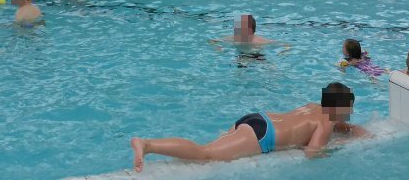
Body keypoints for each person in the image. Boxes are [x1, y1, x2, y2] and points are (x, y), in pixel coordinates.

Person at [129, 82, 368, 172]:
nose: (350, 114)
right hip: (263, 135)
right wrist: (337, 149)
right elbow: (312, 153)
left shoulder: (315, 107)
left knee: (210, 151)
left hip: (256, 119)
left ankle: (154, 146)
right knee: (205, 154)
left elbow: (330, 124)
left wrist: (350, 129)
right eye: (349, 109)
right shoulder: (327, 122)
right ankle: (147, 145)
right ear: (339, 108)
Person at [210, 14, 288, 52]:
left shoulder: (259, 41)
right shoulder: (234, 38)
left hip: (256, 56)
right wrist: (218, 48)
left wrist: (283, 52)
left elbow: (286, 45)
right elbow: (213, 41)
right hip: (242, 55)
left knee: (270, 67)